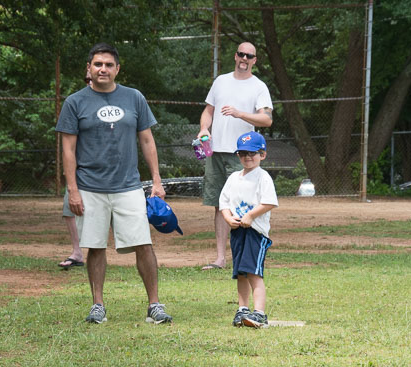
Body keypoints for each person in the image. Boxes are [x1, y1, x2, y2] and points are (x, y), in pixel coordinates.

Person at [56, 42, 172, 324]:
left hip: (129, 186)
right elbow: (68, 150)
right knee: (95, 247)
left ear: (117, 69)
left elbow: (147, 139)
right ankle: (98, 305)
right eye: (98, 64)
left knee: (143, 243)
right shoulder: (75, 102)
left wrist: (156, 179)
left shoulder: (134, 98)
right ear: (89, 68)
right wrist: (73, 189)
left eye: (108, 65)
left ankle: (154, 305)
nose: (103, 69)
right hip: (89, 186)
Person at [197, 42, 273, 270]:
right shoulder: (221, 81)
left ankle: (244, 253)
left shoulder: (259, 87)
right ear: (235, 55)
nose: (244, 58)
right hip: (215, 151)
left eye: (249, 56)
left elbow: (267, 119)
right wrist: (204, 129)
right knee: (220, 205)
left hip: (241, 155)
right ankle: (220, 258)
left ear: (254, 60)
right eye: (241, 54)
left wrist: (240, 114)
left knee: (243, 204)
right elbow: (208, 111)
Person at [219, 131, 278, 328]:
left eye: (253, 153)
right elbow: (224, 203)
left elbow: (269, 202)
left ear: (263, 154)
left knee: (254, 273)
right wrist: (229, 218)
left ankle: (259, 313)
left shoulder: (263, 177)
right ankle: (242, 309)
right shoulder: (234, 178)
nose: (247, 157)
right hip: (238, 232)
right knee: (241, 272)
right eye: (243, 153)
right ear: (238, 155)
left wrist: (250, 216)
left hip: (255, 233)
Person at [58, 71, 92, 270]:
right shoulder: (76, 102)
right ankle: (77, 252)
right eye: (86, 79)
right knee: (69, 209)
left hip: (104, 171)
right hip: (79, 170)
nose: (89, 82)